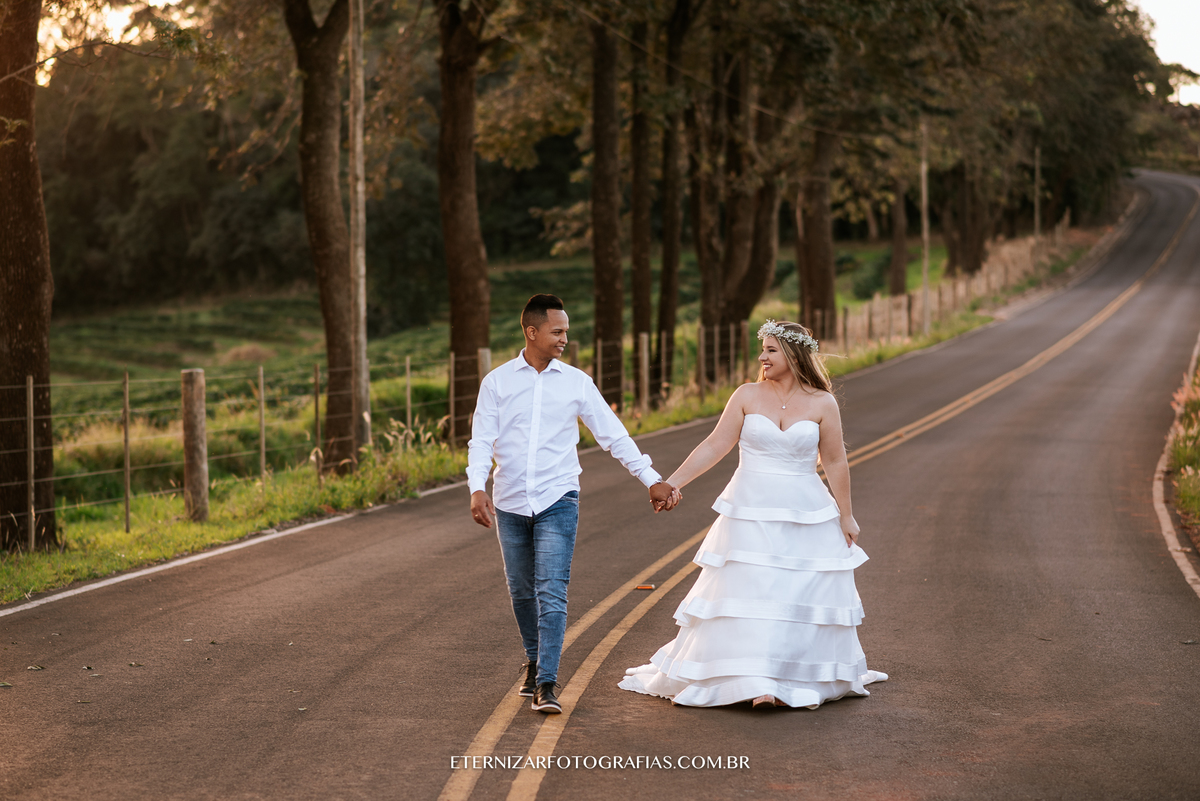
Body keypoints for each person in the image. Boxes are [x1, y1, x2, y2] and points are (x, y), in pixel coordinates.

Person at [618, 320, 887, 709]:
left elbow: (835, 461)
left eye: (771, 350)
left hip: (805, 510)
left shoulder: (822, 403)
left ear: (794, 355)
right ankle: (756, 680)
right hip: (750, 508)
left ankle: (784, 677)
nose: (762, 356)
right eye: (762, 349)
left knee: (795, 595)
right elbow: (715, 446)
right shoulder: (746, 395)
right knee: (752, 591)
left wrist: (846, 515)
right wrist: (672, 483)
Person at [468, 294, 679, 715]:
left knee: (552, 589)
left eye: (566, 331)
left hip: (558, 497)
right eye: (557, 331)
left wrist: (651, 479)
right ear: (532, 332)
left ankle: (547, 681)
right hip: (509, 501)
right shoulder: (497, 382)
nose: (565, 338)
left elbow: (613, 435)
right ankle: (534, 660)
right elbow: (480, 440)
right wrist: (477, 487)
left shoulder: (577, 382)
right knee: (521, 591)